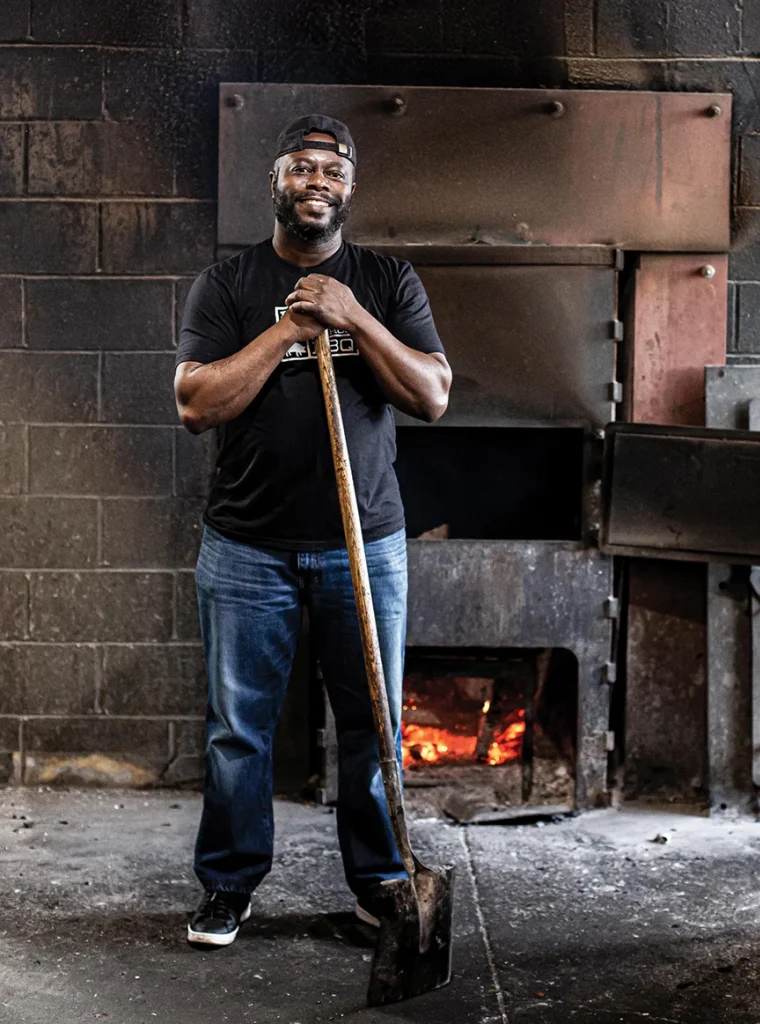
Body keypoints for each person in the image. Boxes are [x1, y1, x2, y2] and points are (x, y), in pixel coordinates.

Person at [173, 114, 452, 947]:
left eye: (332, 169)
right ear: (277, 182)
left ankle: (381, 884)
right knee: (238, 729)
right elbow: (195, 404)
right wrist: (292, 328)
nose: (317, 180)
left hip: (363, 543)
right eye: (301, 167)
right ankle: (228, 885)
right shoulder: (225, 286)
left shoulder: (387, 280)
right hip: (247, 548)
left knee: (371, 723)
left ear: (350, 187)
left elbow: (433, 395)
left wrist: (351, 317)